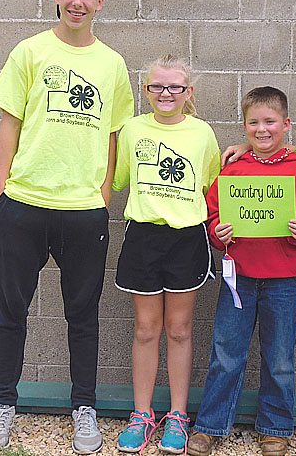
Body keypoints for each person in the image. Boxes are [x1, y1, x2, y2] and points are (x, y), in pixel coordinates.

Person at [0, 0, 134, 453]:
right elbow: (10, 123)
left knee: (82, 315)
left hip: (83, 211)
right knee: (10, 311)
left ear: (100, 2)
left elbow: (114, 134)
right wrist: (1, 194)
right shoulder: (30, 51)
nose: (77, 2)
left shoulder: (112, 64)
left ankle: (84, 408)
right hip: (23, 204)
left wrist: (103, 195)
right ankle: (3, 403)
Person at [187, 87, 296, 456]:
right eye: (253, 123)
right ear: (244, 126)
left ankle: (275, 426)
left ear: (286, 124)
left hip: (284, 282)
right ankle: (211, 424)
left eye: (270, 122)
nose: (262, 129)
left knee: (279, 359)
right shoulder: (234, 170)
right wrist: (217, 233)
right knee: (226, 354)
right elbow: (213, 214)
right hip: (239, 279)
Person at [112, 55, 220, 454]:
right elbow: (118, 177)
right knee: (146, 329)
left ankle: (177, 414)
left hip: (186, 239)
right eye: (157, 86)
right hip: (144, 237)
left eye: (175, 87)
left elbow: (211, 183)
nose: (166, 93)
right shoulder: (133, 130)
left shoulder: (202, 133)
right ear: (146, 90)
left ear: (189, 92)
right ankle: (142, 414)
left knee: (179, 329)